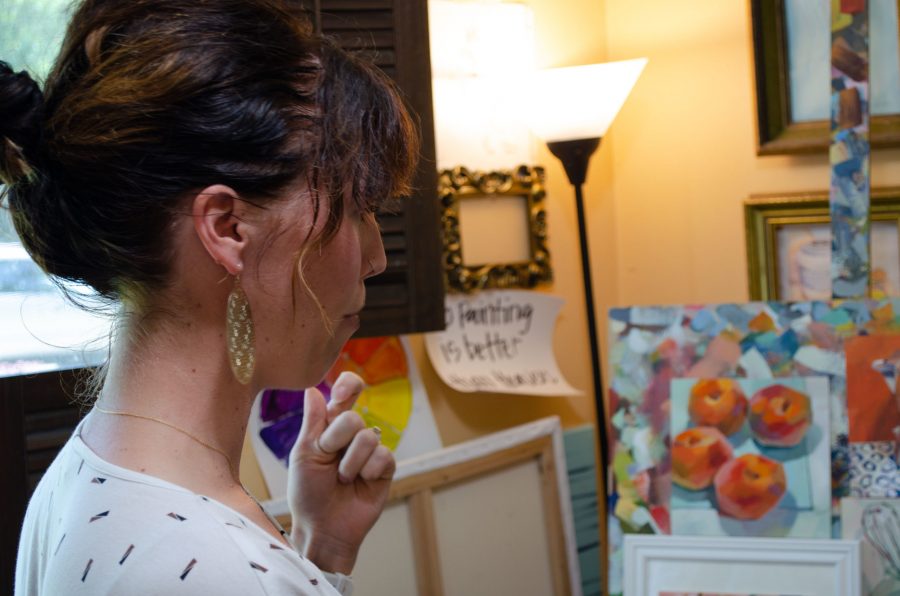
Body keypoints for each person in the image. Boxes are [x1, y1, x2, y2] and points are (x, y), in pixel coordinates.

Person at [2, 0, 420, 594]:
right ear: (226, 229)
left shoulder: (83, 474)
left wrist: (319, 550)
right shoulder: (206, 568)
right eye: (357, 208)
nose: (376, 257)